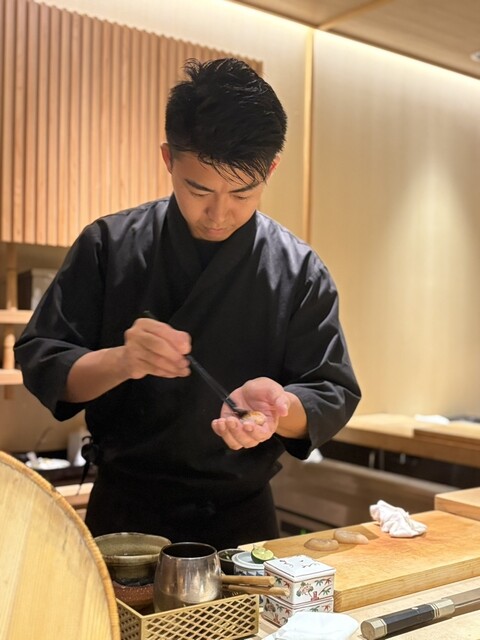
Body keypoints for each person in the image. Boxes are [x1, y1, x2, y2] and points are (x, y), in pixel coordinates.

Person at [15, 58, 361, 549]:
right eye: (198, 189)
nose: (219, 213)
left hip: (240, 518)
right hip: (126, 509)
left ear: (271, 169)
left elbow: (331, 391)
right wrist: (123, 360)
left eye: (243, 193)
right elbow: (43, 360)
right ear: (168, 160)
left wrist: (278, 410)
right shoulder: (109, 245)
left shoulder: (299, 270)